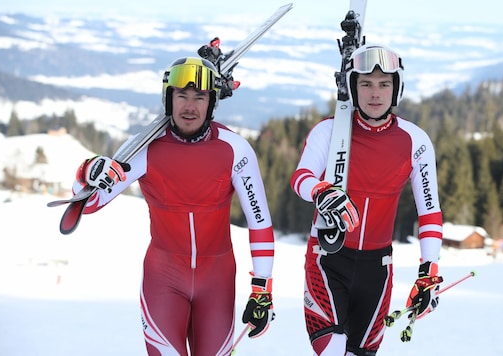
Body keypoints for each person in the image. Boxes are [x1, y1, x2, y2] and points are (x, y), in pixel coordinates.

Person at [71, 57, 275, 355]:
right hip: (163, 280)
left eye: (199, 97)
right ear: (169, 99)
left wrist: (262, 289)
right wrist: (87, 171)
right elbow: (87, 204)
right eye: (181, 96)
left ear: (211, 102)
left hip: (217, 283)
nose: (189, 106)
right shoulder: (142, 148)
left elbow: (260, 223)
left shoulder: (235, 150)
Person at [289, 44, 444, 355]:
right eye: (366, 84)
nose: (375, 93)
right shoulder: (329, 131)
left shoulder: (415, 141)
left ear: (396, 89)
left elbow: (429, 212)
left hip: (378, 268)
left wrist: (429, 273)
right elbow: (300, 178)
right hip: (327, 259)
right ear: (353, 87)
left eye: (384, 84)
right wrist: (322, 191)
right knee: (332, 350)